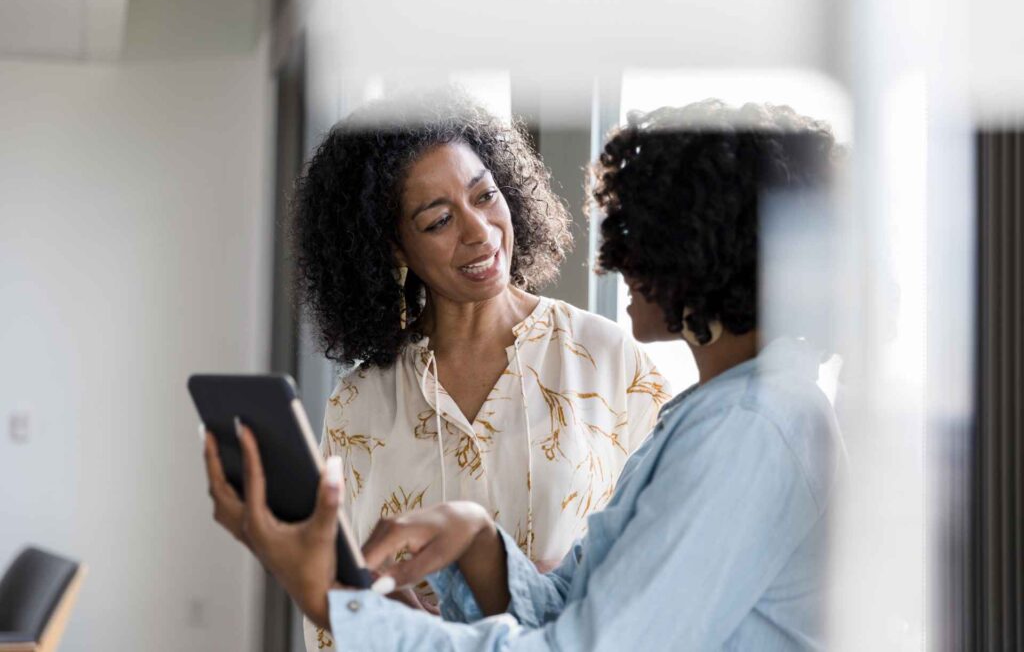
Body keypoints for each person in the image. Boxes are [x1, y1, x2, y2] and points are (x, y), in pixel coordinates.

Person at [204, 99, 844, 650]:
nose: (613, 258)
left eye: (635, 233)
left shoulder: (746, 427)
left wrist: (330, 599)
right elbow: (570, 608)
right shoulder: (723, 415)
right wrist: (479, 541)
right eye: (437, 219)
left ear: (702, 249)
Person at [288, 91, 669, 648]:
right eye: (439, 220)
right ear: (394, 247)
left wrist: (557, 586)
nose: (479, 231)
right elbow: (334, 608)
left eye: (485, 195)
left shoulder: (607, 357)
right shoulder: (359, 402)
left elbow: (667, 552)